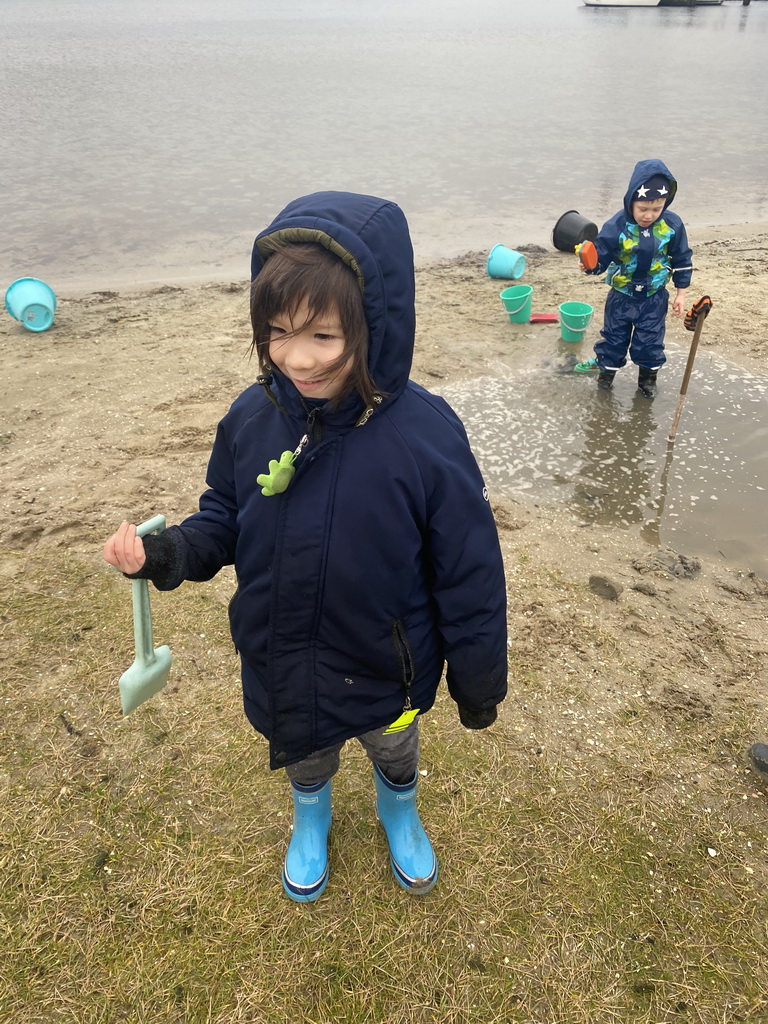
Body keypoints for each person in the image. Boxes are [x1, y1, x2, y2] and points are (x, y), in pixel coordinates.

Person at [104, 191, 508, 903]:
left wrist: (477, 685)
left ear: (372, 327)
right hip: (285, 659)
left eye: (323, 337)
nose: (296, 358)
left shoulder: (426, 437)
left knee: (395, 746)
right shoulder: (250, 419)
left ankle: (399, 808)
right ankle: (311, 817)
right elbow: (223, 517)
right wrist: (165, 555)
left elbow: (469, 575)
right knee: (308, 758)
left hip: (390, 669)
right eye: (278, 333)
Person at [580, 158, 693, 397]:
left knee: (650, 342)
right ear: (631, 200)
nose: (649, 215)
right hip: (621, 296)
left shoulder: (672, 225)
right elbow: (602, 254)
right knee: (613, 339)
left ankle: (647, 382)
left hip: (654, 297)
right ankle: (605, 379)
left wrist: (681, 293)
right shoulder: (617, 225)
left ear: (665, 203)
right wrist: (591, 264)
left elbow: (681, 258)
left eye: (656, 209)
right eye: (643, 208)